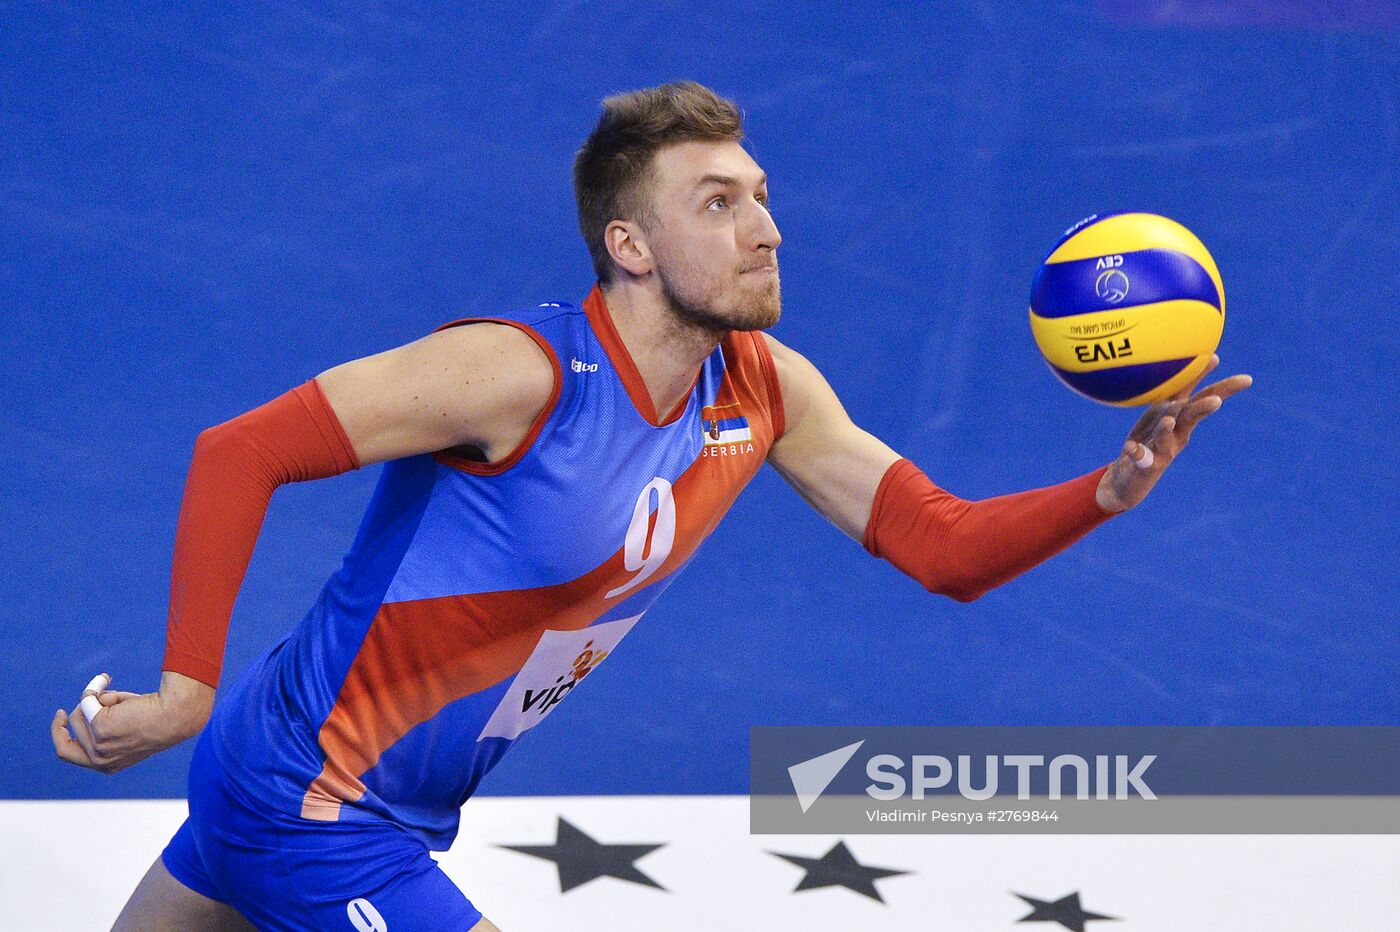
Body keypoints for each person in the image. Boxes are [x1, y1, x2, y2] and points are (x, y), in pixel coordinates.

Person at [51, 81, 1250, 931]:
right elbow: (240, 451)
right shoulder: (515, 374)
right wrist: (184, 691)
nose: (766, 228)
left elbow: (940, 546)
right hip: (312, 801)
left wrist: (1104, 491)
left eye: (760, 195)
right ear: (628, 242)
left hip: (369, 792)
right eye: (718, 203)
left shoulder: (763, 388)